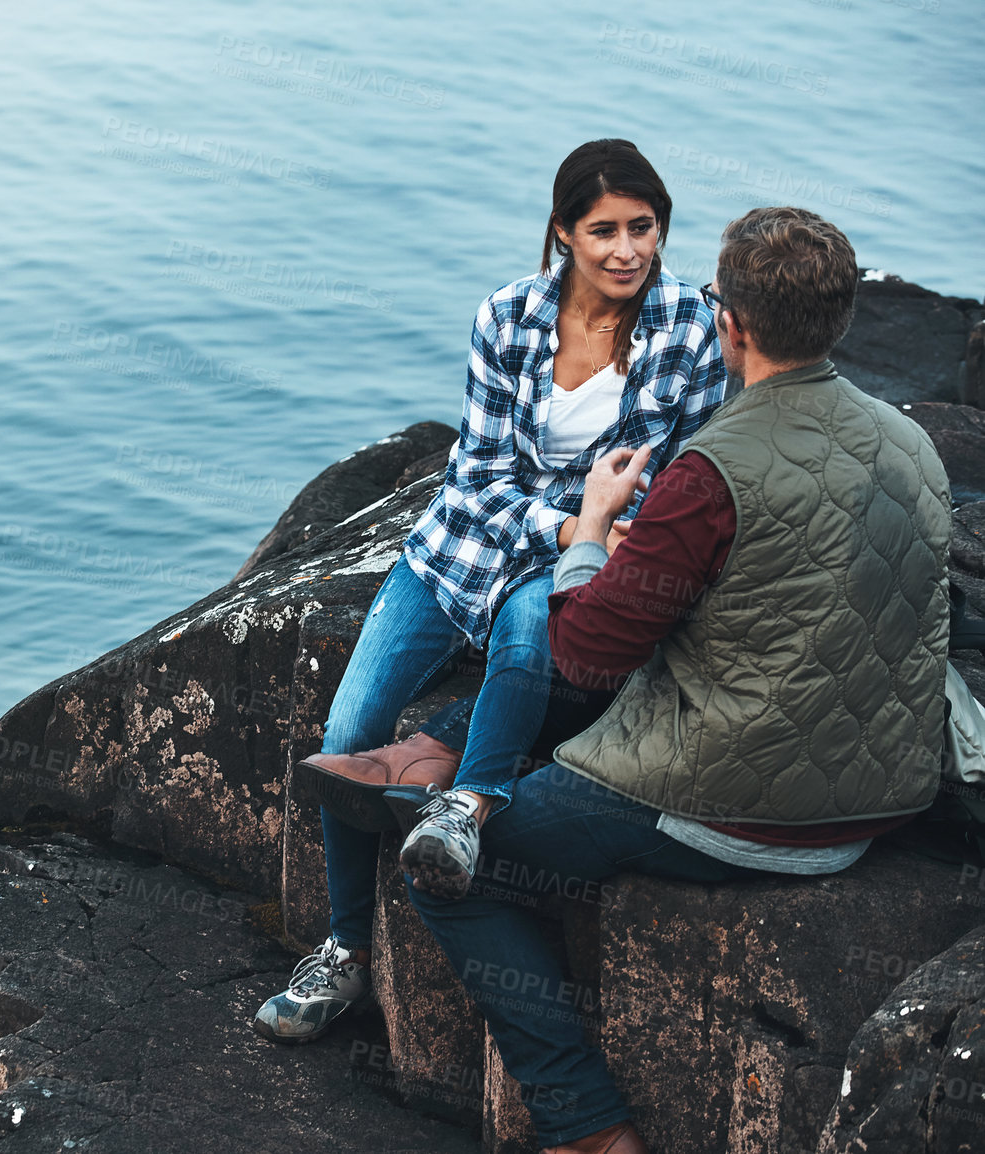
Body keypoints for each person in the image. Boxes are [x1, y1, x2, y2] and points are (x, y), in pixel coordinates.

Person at [403, 207, 950, 1152]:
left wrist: (586, 534)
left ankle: (585, 1124)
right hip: (886, 790)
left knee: (454, 868)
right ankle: (455, 737)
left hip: (741, 809)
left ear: (730, 324)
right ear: (842, 320)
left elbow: (584, 650)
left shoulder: (712, 470)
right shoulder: (915, 447)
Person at [253, 139, 727, 1044]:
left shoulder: (689, 330)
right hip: (466, 549)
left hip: (568, 561)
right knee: (350, 733)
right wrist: (570, 522)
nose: (627, 250)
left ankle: (464, 816)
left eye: (644, 228)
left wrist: (600, 534)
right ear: (562, 233)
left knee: (526, 640)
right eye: (604, 231)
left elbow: (684, 470)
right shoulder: (507, 317)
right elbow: (475, 476)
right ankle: (343, 952)